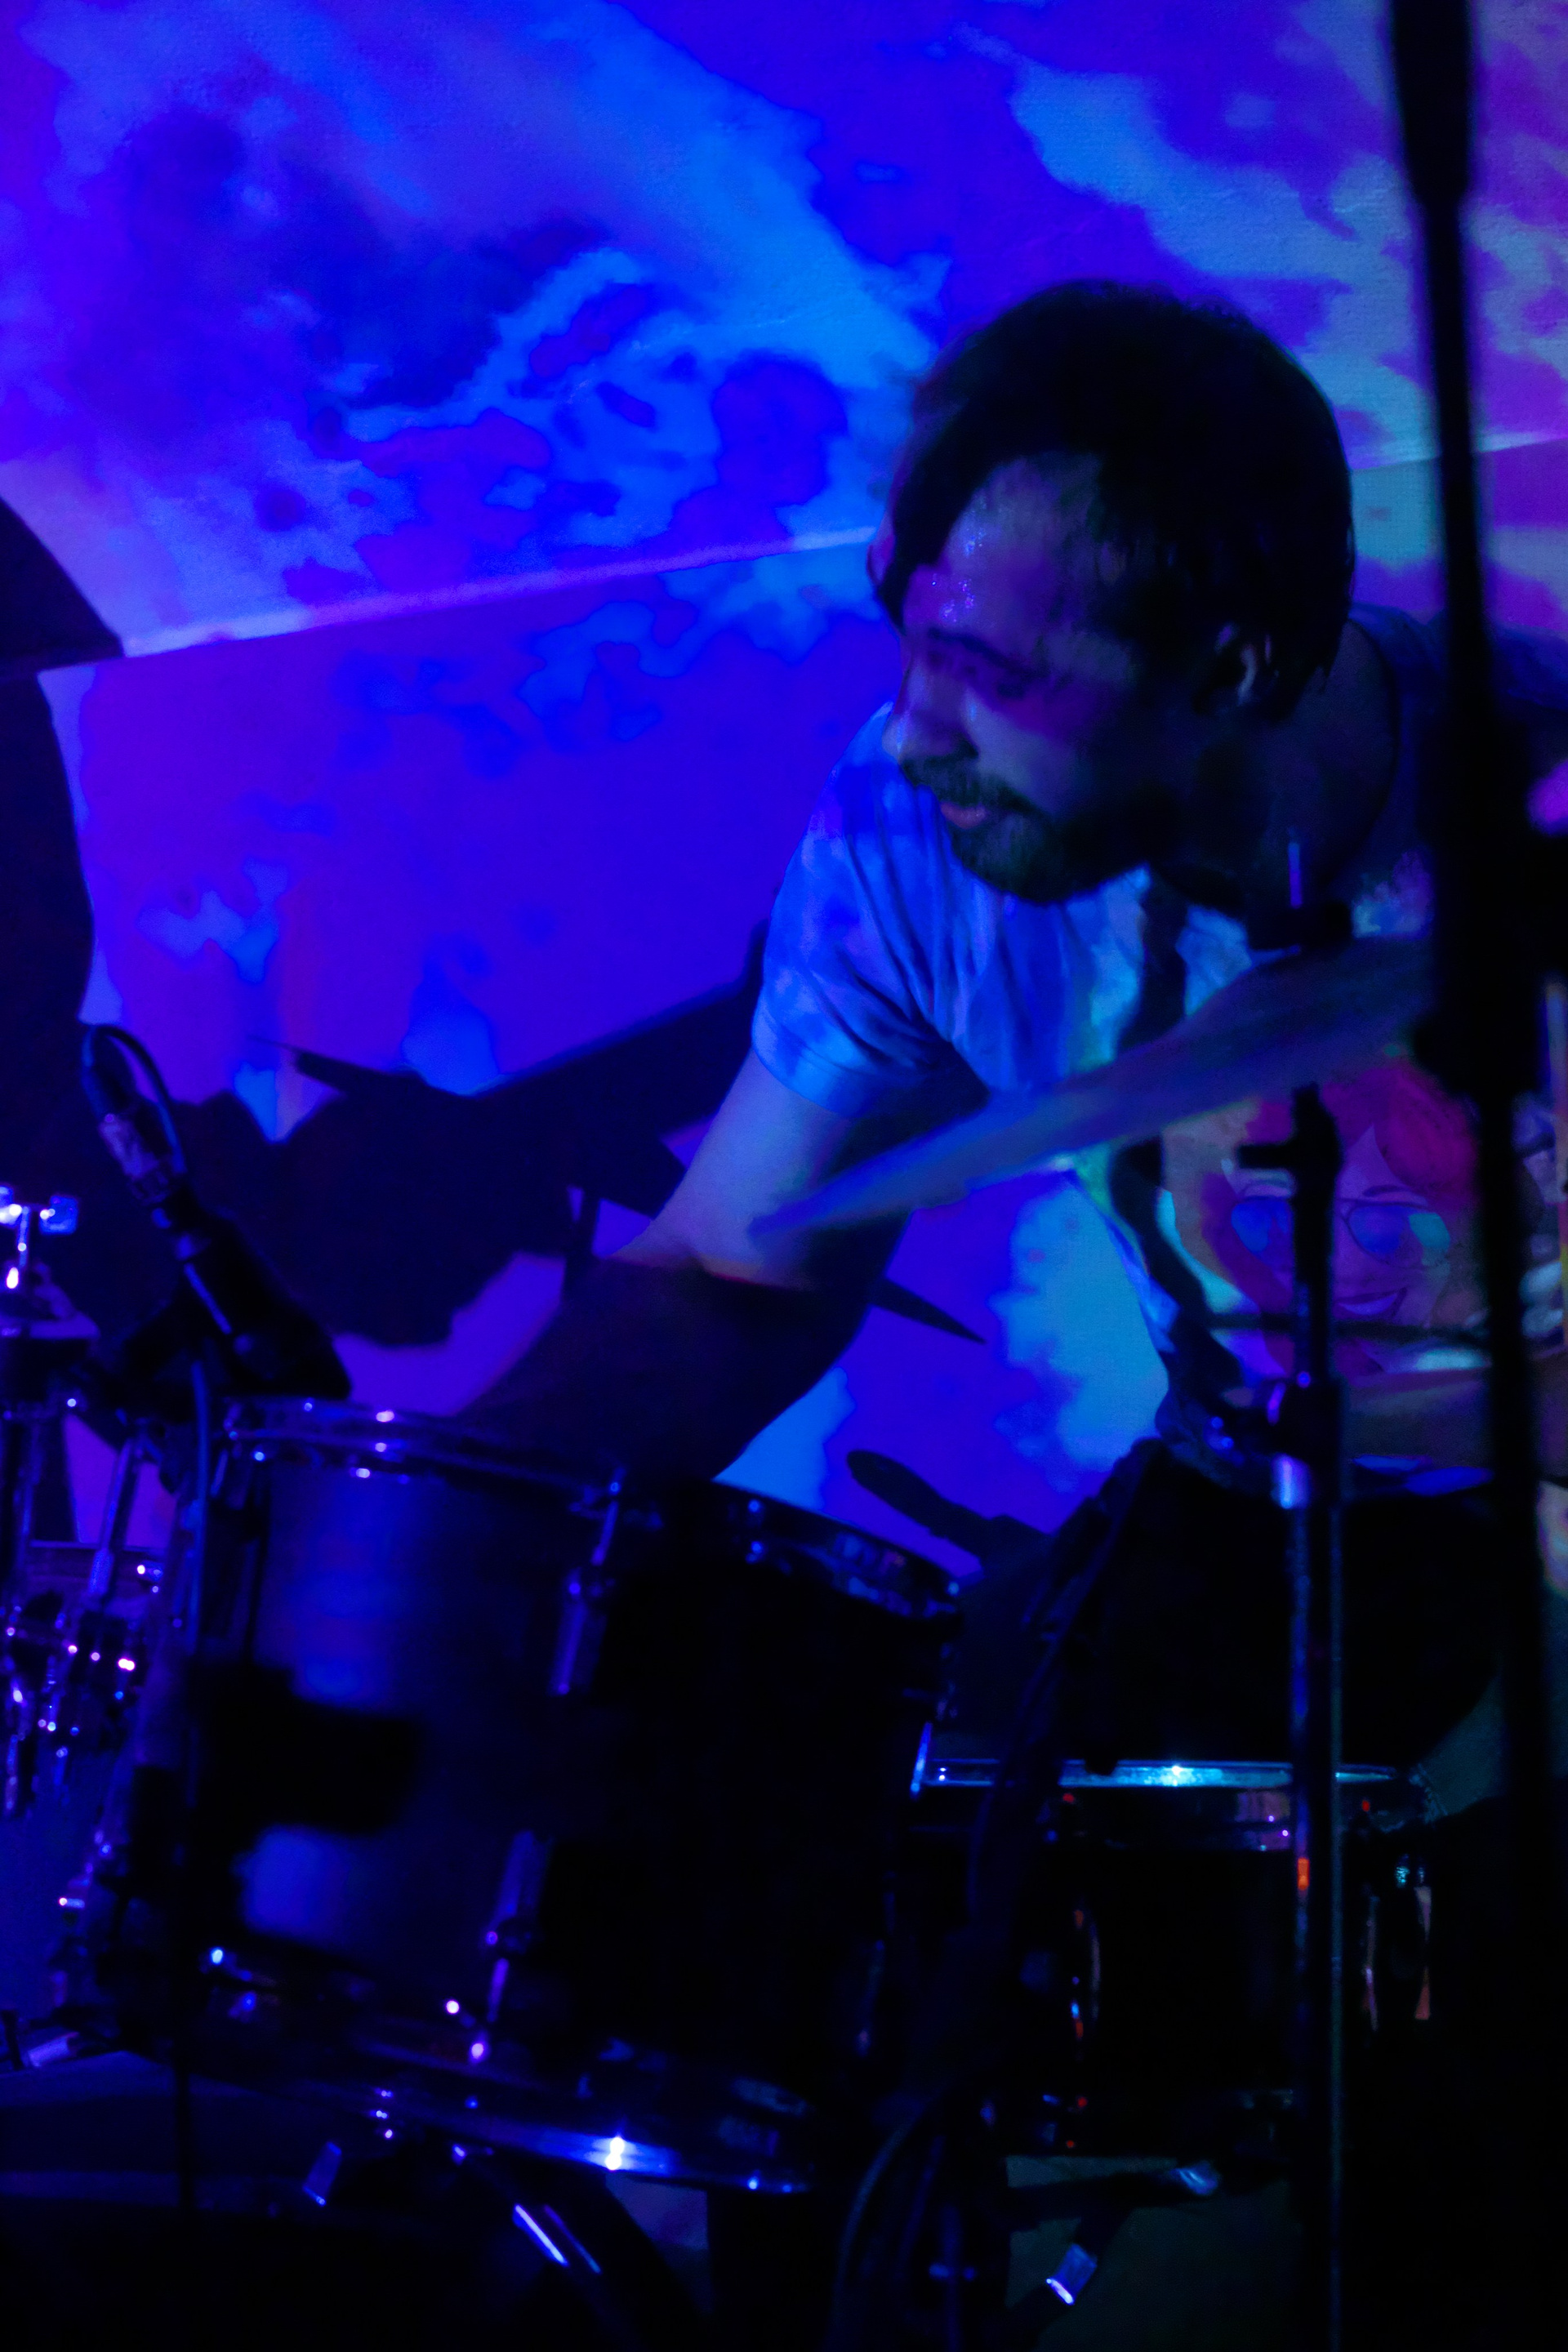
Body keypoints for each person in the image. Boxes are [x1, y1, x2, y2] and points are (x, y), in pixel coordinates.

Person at [470, 278, 1568, 2348]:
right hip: (1250, 1501)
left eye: (987, 670)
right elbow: (733, 1273)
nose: (915, 726)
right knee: (859, 1984)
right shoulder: (916, 837)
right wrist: (435, 1544)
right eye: (911, 639)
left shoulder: (1538, 808)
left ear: (1235, 661)